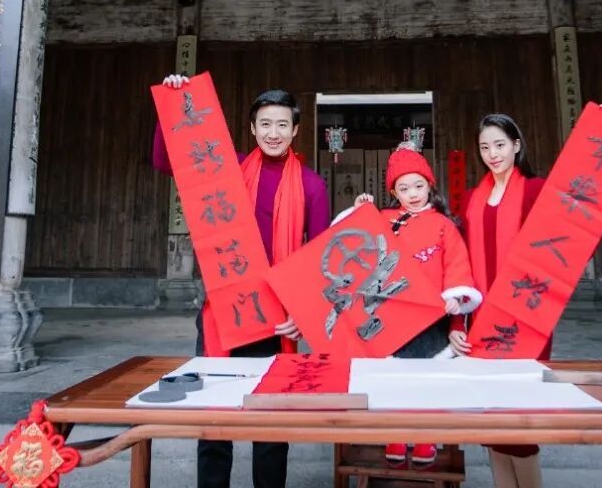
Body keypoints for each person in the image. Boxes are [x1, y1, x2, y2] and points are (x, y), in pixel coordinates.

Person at [152, 75, 331, 488]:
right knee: (214, 418)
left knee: (270, 426)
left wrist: (304, 314)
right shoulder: (227, 167)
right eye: (265, 124)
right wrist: (174, 103)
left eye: (282, 124)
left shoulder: (312, 185)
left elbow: (319, 260)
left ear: (296, 130)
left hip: (278, 318)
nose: (273, 133)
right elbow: (166, 160)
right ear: (252, 129)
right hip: (223, 313)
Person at [449, 107, 602, 488]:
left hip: (526, 318)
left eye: (499, 145)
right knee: (493, 422)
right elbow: (460, 268)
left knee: (521, 423)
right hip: (482, 322)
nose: (492, 154)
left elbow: (579, 218)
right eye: (484, 147)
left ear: (516, 145)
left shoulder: (535, 190)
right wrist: (457, 323)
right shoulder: (473, 200)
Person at [332, 142, 481, 468]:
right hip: (389, 315)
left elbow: (456, 266)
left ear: (430, 185)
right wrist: (359, 211)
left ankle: (425, 437)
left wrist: (456, 301)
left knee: (427, 379)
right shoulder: (384, 219)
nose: (412, 194)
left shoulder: (444, 225)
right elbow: (351, 240)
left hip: (430, 318)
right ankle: (395, 433)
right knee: (392, 378)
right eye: (403, 188)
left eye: (418, 186)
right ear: (393, 192)